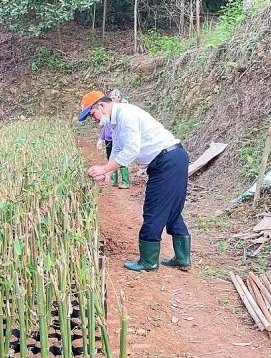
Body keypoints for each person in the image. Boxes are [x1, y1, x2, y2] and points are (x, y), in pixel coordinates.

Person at [78, 91, 191, 272]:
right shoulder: (116, 121)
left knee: (153, 209)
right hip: (172, 159)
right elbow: (117, 148)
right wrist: (108, 171)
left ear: (101, 105)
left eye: (92, 114)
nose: (93, 119)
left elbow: (131, 150)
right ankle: (182, 258)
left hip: (167, 160)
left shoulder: (126, 115)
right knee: (172, 210)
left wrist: (104, 169)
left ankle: (149, 261)